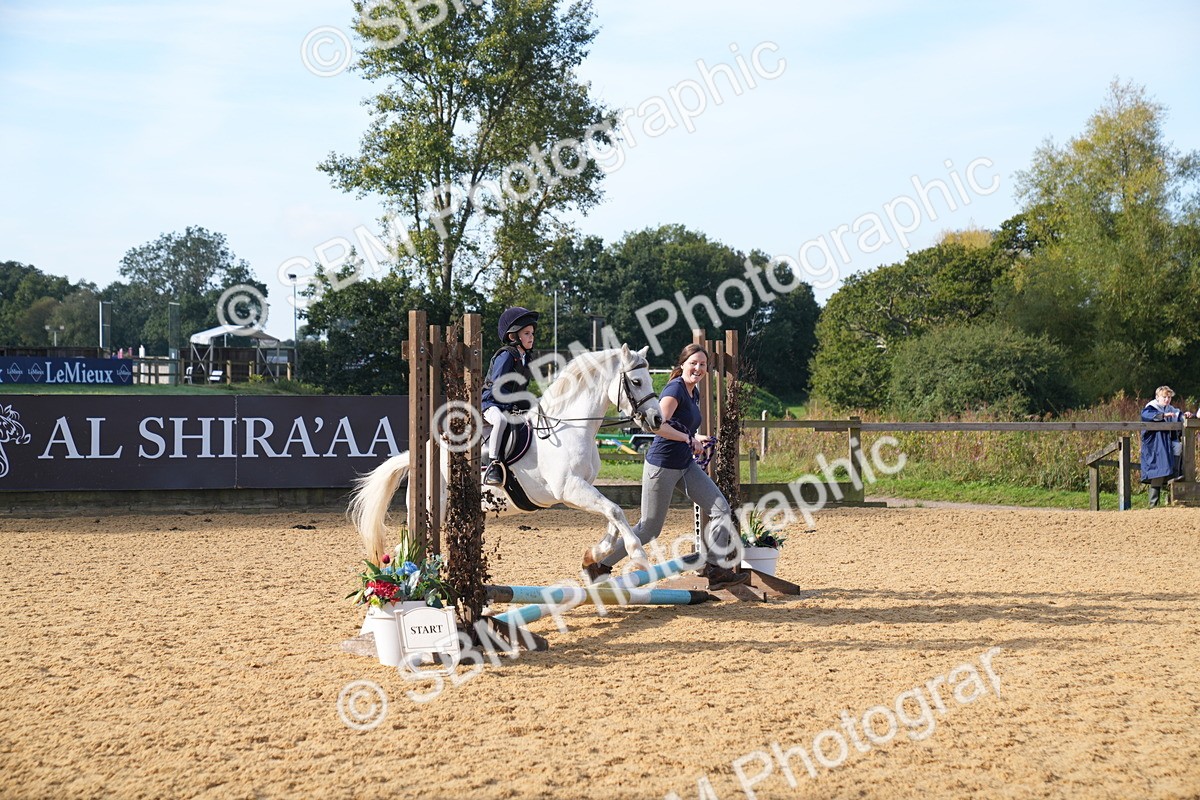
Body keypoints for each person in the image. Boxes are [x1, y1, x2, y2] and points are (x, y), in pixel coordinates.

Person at [582, 343, 749, 591]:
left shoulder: (693, 391)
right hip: (662, 465)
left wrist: (696, 437)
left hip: (685, 464)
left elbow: (682, 426)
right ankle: (599, 564)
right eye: (693, 363)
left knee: (720, 509)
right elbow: (658, 426)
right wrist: (688, 439)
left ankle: (715, 569)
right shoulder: (675, 389)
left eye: (702, 364)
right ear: (682, 364)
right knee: (649, 529)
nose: (698, 368)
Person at [481, 307, 539, 486]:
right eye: (527, 333)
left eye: (532, 333)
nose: (531, 337)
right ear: (513, 336)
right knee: (500, 421)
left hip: (510, 404)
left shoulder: (525, 358)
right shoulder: (507, 355)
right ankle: (493, 465)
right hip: (491, 403)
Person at [1140, 385, 1192, 507]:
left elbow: (1180, 416)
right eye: (1164, 397)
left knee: (1174, 467)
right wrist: (1163, 416)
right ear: (1157, 397)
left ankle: (1174, 497)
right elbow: (1146, 416)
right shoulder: (1151, 407)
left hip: (1168, 444)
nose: (1167, 399)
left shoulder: (1171, 409)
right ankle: (1153, 504)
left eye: (1169, 397)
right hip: (1155, 445)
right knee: (1158, 471)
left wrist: (1188, 415)